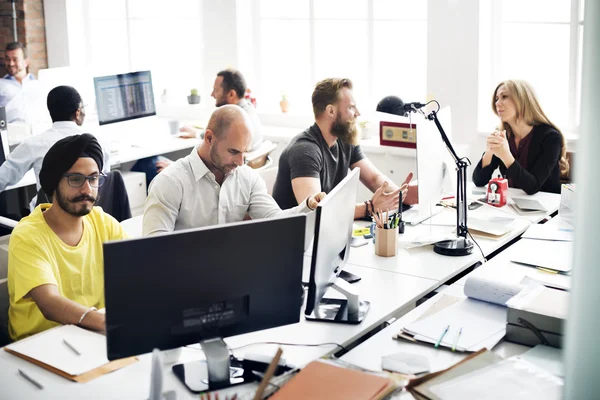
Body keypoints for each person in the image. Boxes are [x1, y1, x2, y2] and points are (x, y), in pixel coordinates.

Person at [7, 134, 128, 341]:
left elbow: (141, 268)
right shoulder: (28, 235)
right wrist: (107, 323)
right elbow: (50, 303)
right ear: (54, 183)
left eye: (93, 178)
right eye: (75, 179)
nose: (87, 189)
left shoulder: (102, 223)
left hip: (91, 335)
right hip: (39, 345)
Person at [143, 105, 324, 236]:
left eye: (244, 152)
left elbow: (274, 219)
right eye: (233, 151)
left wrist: (307, 205)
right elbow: (154, 250)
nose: (240, 161)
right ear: (209, 138)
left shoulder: (247, 178)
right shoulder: (170, 183)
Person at [272, 78, 417, 219]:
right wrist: (370, 207)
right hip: (295, 238)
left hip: (323, 234)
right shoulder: (304, 151)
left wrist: (399, 195)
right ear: (331, 111)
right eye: (351, 107)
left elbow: (374, 179)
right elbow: (317, 212)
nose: (358, 113)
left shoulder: (345, 141)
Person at [0, 85, 110, 211]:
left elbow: (3, 178)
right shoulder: (99, 141)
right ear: (77, 112)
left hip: (50, 218)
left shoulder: (34, 144)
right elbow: (104, 180)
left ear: (50, 112)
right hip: (89, 213)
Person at [472, 79, 569, 194]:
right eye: (497, 98)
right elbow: (479, 181)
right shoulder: (503, 135)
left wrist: (506, 156)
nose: (497, 103)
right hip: (512, 205)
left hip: (545, 207)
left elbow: (532, 186)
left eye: (504, 96)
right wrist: (489, 151)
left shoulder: (551, 138)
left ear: (522, 100)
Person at [179, 68, 264, 150]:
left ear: (231, 94)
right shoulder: (249, 110)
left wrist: (196, 133)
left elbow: (215, 140)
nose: (212, 95)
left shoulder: (235, 120)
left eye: (216, 90)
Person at [0, 42, 37, 122]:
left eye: (15, 59)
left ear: (26, 62)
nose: (11, 63)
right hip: (10, 131)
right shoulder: (1, 84)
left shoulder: (37, 84)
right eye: (7, 59)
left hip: (37, 130)